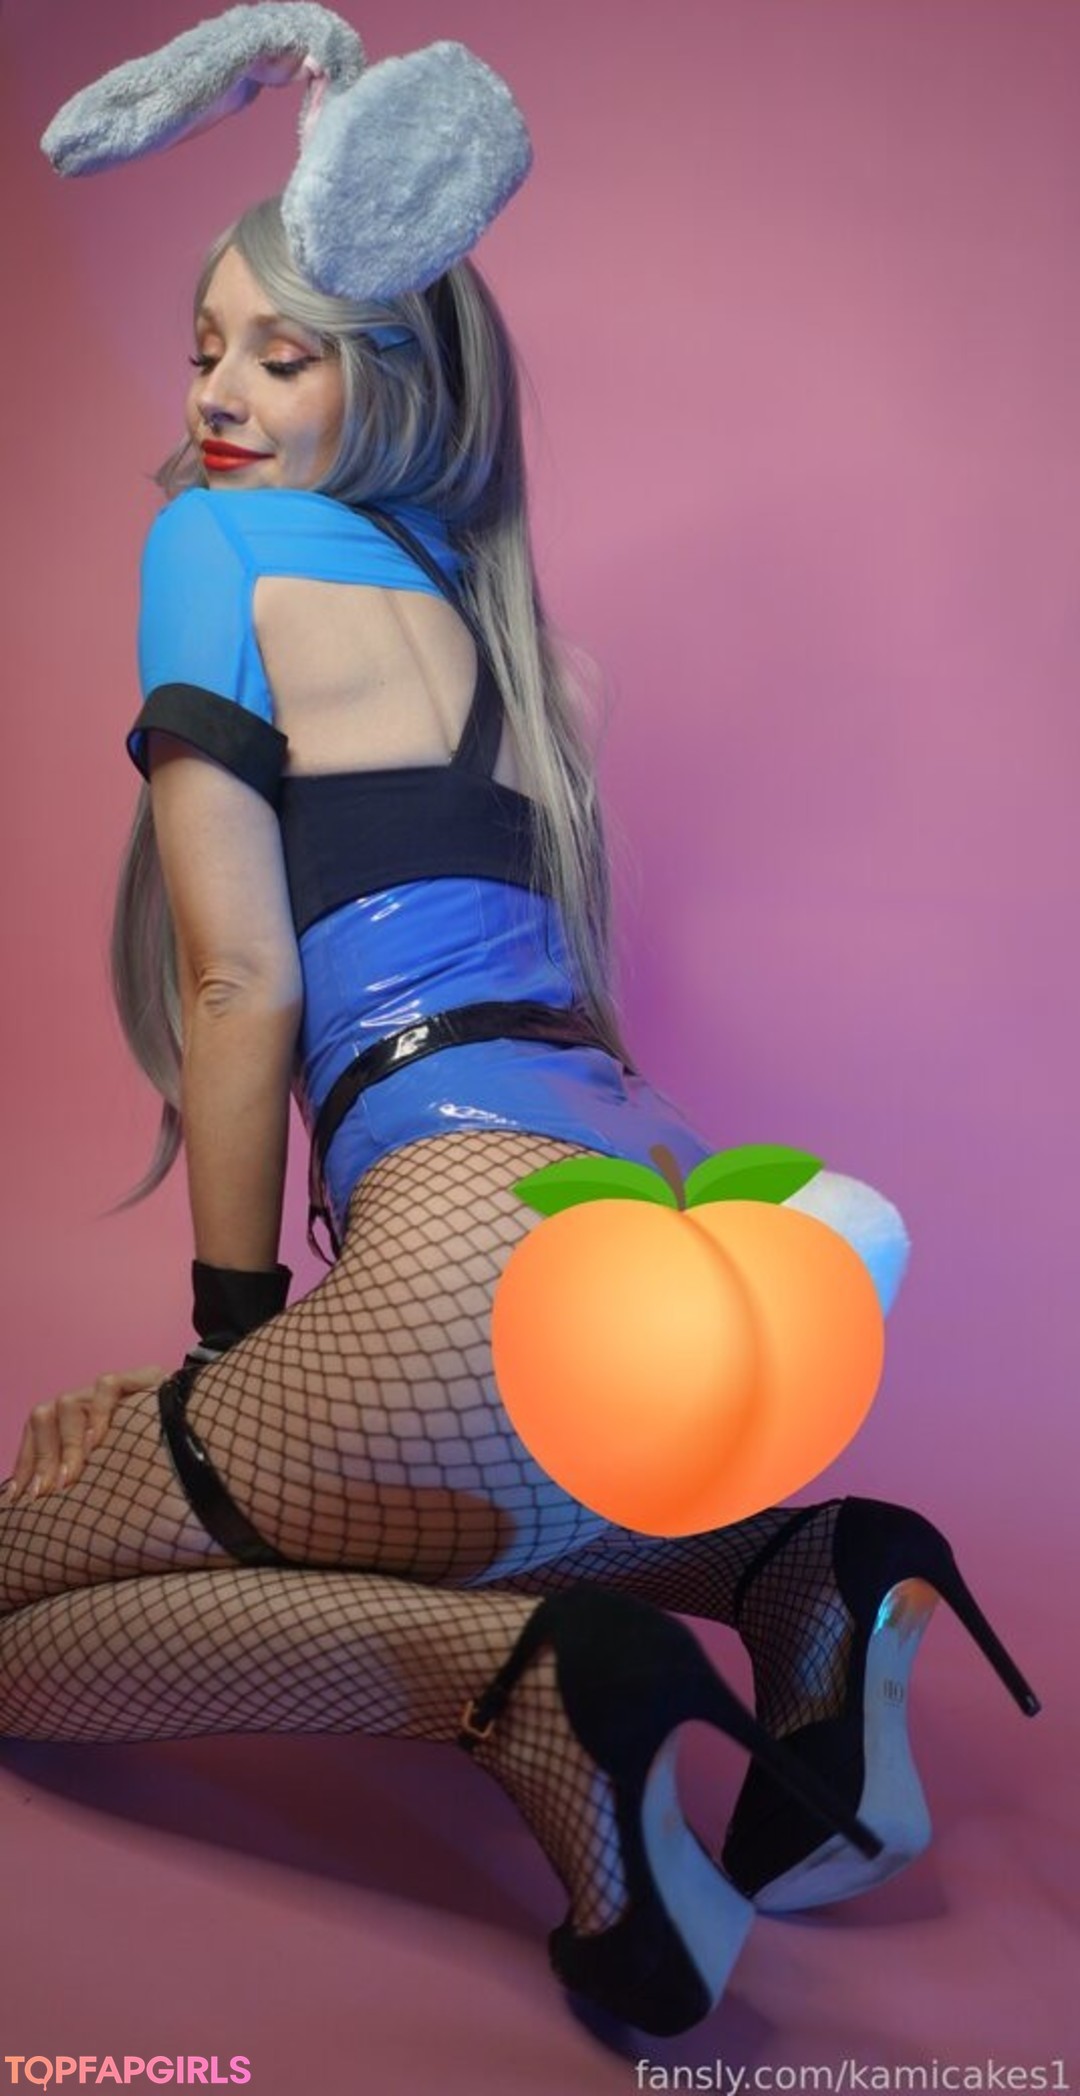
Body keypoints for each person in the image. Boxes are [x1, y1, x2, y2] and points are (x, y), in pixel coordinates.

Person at [4, 21, 1038, 2044]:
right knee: (431, 1492)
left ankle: (521, 1689)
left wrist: (229, 1346)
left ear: (393, 374)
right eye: (206, 348)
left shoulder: (211, 547)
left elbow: (239, 984)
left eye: (283, 356)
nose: (218, 396)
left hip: (470, 1271)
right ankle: (798, 1573)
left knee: (22, 1616)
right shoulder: (494, 629)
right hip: (677, 1254)